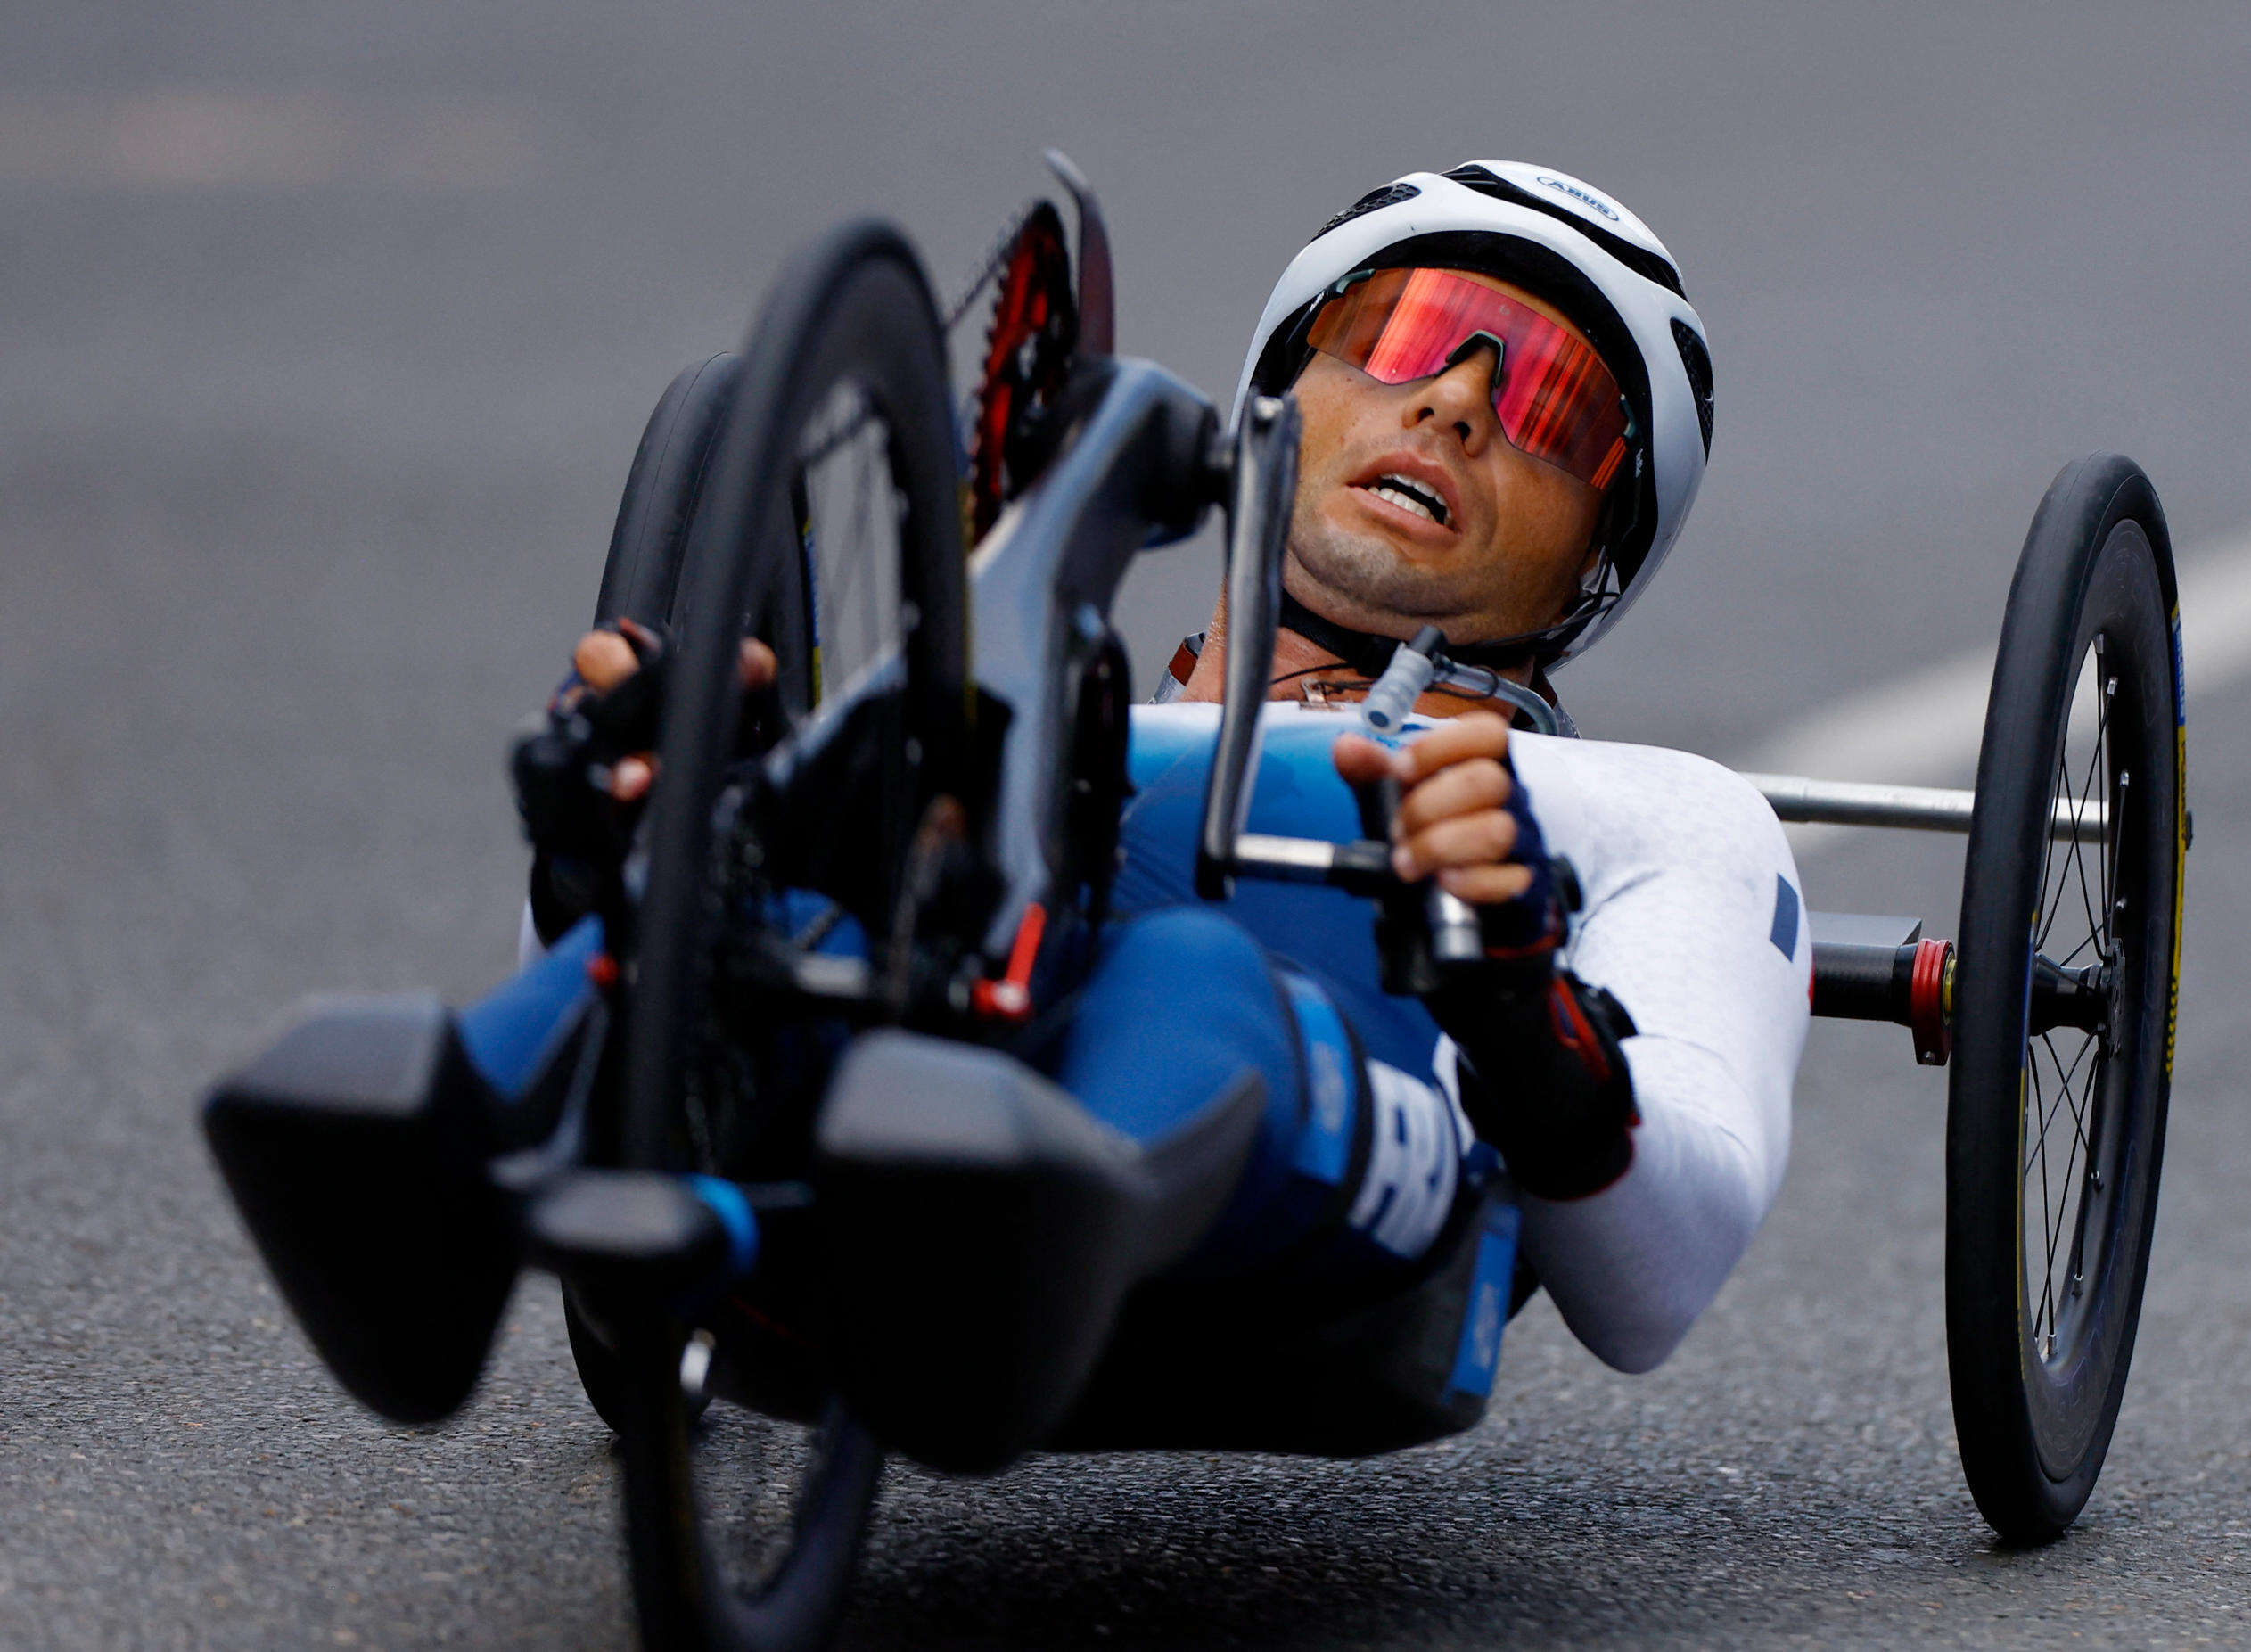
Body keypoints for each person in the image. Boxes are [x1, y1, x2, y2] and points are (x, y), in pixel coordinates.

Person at [535, 160, 1807, 1420]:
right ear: (1278, 397)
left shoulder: (1653, 812)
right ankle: (420, 1130)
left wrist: (1523, 1004)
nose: (1454, 403)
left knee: (1188, 973)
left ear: (1600, 554)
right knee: (768, 894)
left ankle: (1007, 1207)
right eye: (1398, 334)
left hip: (1347, 1240)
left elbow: (1656, 1291)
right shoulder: (1015, 725)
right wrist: (686, 827)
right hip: (888, 1155)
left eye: (1553, 407)